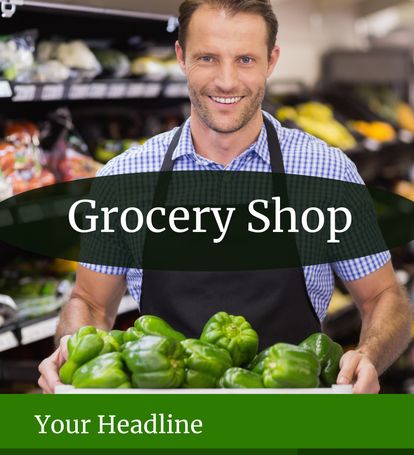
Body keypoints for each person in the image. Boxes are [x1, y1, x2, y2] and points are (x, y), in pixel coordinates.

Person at [38, 0, 411, 394]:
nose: (227, 81)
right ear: (182, 57)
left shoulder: (325, 172)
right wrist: (72, 350)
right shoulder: (126, 179)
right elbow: (90, 304)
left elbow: (384, 297)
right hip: (167, 429)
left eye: (246, 59)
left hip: (293, 422)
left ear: (272, 60)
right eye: (208, 58)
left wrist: (368, 355)